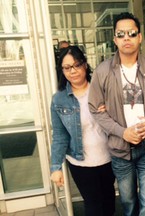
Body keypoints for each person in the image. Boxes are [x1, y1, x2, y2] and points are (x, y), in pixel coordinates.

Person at [88, 12, 145, 216]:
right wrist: (122, 132)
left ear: (139, 37)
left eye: (131, 33)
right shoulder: (102, 72)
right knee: (129, 203)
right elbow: (95, 109)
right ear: (114, 39)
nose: (126, 38)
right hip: (120, 150)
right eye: (121, 34)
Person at [50, 46, 115, 216]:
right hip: (81, 162)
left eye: (77, 65)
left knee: (109, 202)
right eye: (67, 67)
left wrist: (111, 109)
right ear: (62, 71)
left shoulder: (103, 90)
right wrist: (55, 167)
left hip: (109, 157)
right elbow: (59, 135)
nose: (73, 71)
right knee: (93, 205)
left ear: (85, 65)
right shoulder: (59, 99)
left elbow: (120, 119)